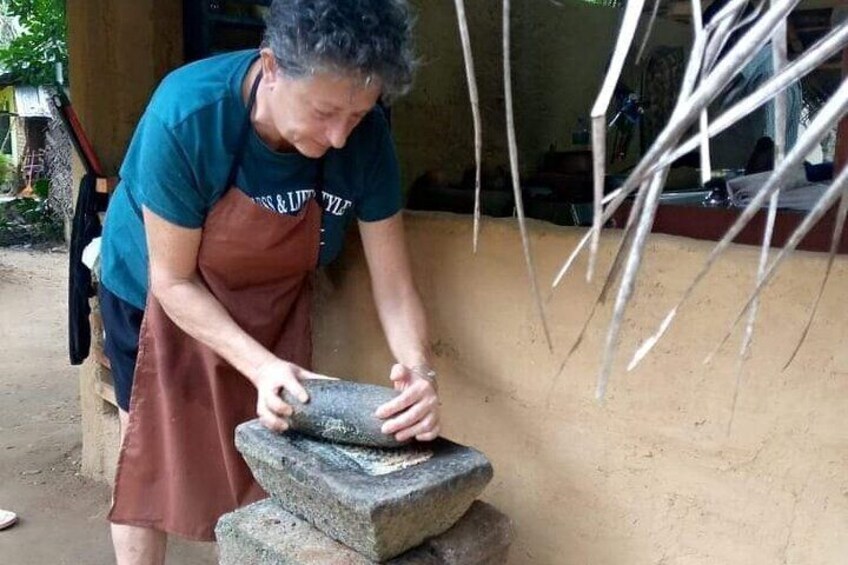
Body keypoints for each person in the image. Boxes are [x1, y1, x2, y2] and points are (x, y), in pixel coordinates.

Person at [97, 1, 439, 563]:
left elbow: (395, 287)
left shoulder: (366, 137)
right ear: (272, 66)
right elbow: (174, 282)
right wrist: (261, 366)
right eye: (325, 110)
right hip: (155, 295)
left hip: (268, 301)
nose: (337, 137)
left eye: (356, 115)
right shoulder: (188, 114)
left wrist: (419, 372)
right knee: (151, 461)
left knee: (265, 463)